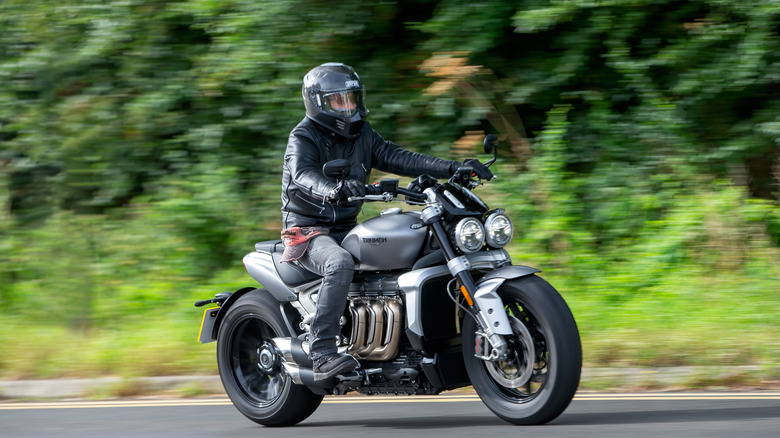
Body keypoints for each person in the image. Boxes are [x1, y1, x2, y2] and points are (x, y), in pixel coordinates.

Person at [279, 62, 493, 380]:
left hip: (347, 226)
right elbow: (303, 174)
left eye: (352, 98)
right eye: (339, 100)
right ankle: (321, 350)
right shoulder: (303, 136)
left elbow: (398, 157)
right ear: (319, 102)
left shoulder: (362, 134)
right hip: (309, 231)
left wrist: (453, 169)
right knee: (337, 262)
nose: (348, 106)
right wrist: (333, 189)